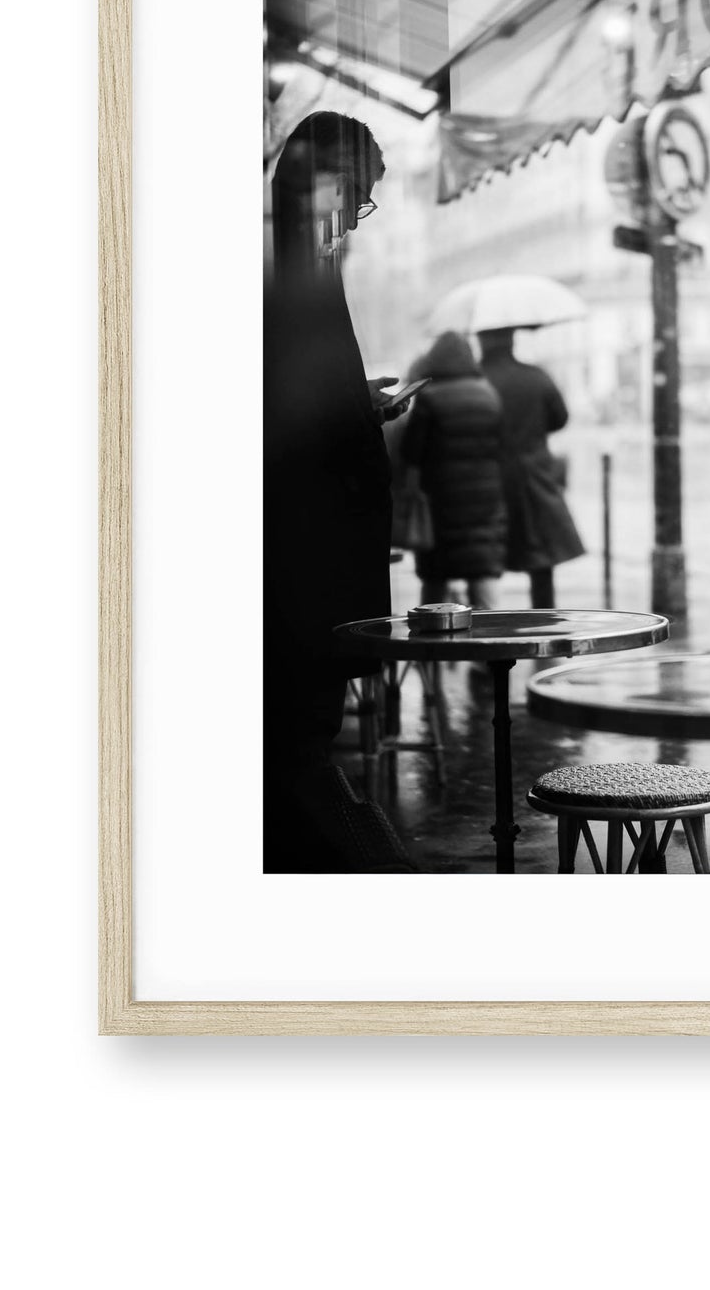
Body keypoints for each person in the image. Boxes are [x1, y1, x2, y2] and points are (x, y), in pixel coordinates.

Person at [263, 111, 414, 872]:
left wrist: (359, 402)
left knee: (301, 741)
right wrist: (355, 409)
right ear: (323, 181)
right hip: (303, 573)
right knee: (297, 744)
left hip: (309, 572)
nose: (356, 216)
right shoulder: (287, 273)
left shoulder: (300, 264)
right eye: (356, 195)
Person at [477, 327, 584, 606]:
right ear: (511, 340)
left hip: (488, 476)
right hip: (533, 474)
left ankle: (484, 620)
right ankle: (544, 617)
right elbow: (560, 418)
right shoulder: (535, 376)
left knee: (483, 559)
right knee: (540, 556)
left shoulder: (475, 380)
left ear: (481, 342)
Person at [399, 331, 507, 607]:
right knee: (482, 569)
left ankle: (431, 628)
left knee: (436, 577)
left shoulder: (429, 397)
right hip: (485, 497)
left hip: (441, 498)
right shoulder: (488, 393)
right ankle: (489, 628)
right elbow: (501, 445)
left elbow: (412, 451)